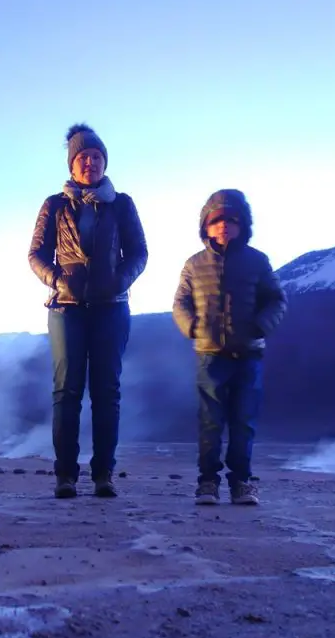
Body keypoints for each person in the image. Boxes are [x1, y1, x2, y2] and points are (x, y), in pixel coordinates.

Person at [28, 123, 148, 499]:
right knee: (66, 391)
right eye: (83, 158)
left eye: (96, 157)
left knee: (106, 392)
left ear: (104, 162)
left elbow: (139, 253)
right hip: (66, 308)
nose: (90, 163)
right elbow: (35, 255)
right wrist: (56, 279)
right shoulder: (54, 205)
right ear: (72, 164)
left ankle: (103, 475)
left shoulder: (122, 204)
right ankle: (65, 475)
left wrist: (121, 280)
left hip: (111, 308)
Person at [172, 189, 287, 506]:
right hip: (209, 356)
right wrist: (193, 327)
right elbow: (180, 303)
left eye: (231, 220)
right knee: (210, 423)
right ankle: (207, 482)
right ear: (206, 226)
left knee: (243, 422)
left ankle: (242, 483)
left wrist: (260, 325)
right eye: (217, 220)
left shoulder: (257, 261)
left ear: (242, 225)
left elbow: (276, 299)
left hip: (248, 355)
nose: (223, 226)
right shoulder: (194, 265)